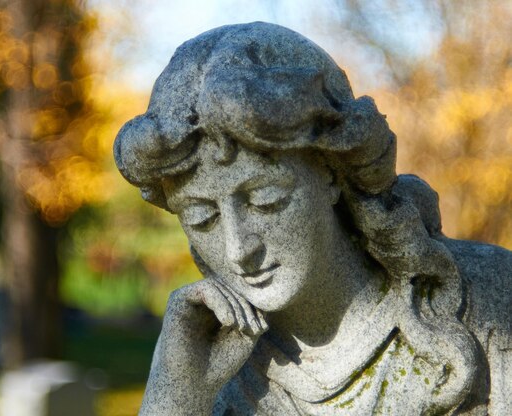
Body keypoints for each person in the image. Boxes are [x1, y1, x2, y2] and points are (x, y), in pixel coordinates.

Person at [114, 22, 511, 415]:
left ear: (332, 172)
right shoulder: (208, 373)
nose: (239, 250)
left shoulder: (491, 303)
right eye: (203, 219)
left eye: (265, 201)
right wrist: (174, 402)